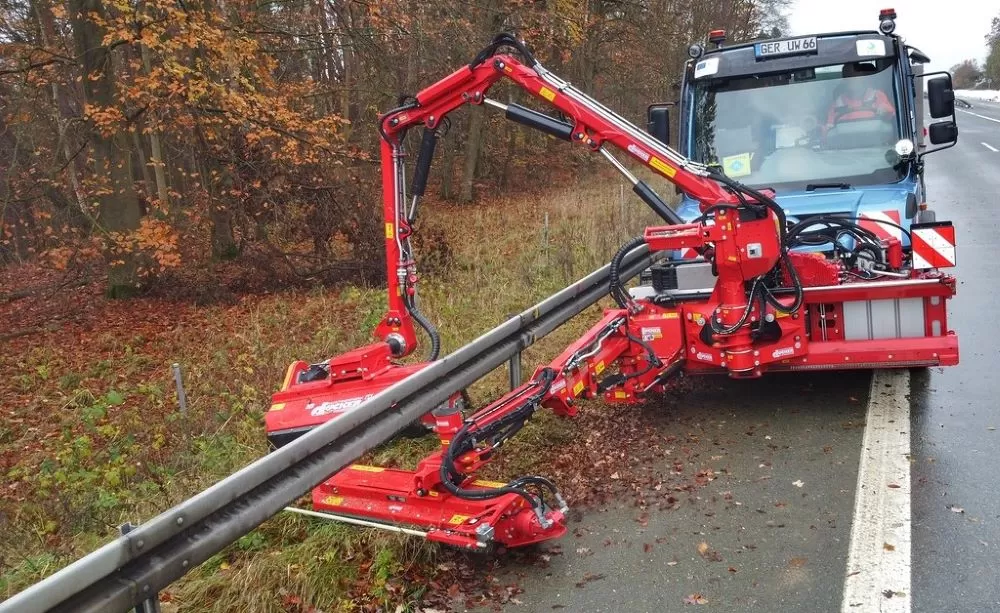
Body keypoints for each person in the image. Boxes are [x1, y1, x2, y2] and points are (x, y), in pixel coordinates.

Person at [824, 62, 896, 132]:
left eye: (854, 75)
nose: (851, 79)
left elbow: (891, 115)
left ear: (862, 77)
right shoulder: (837, 104)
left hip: (876, 141)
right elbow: (829, 130)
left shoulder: (877, 96)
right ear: (844, 80)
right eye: (848, 76)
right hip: (847, 142)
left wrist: (885, 110)